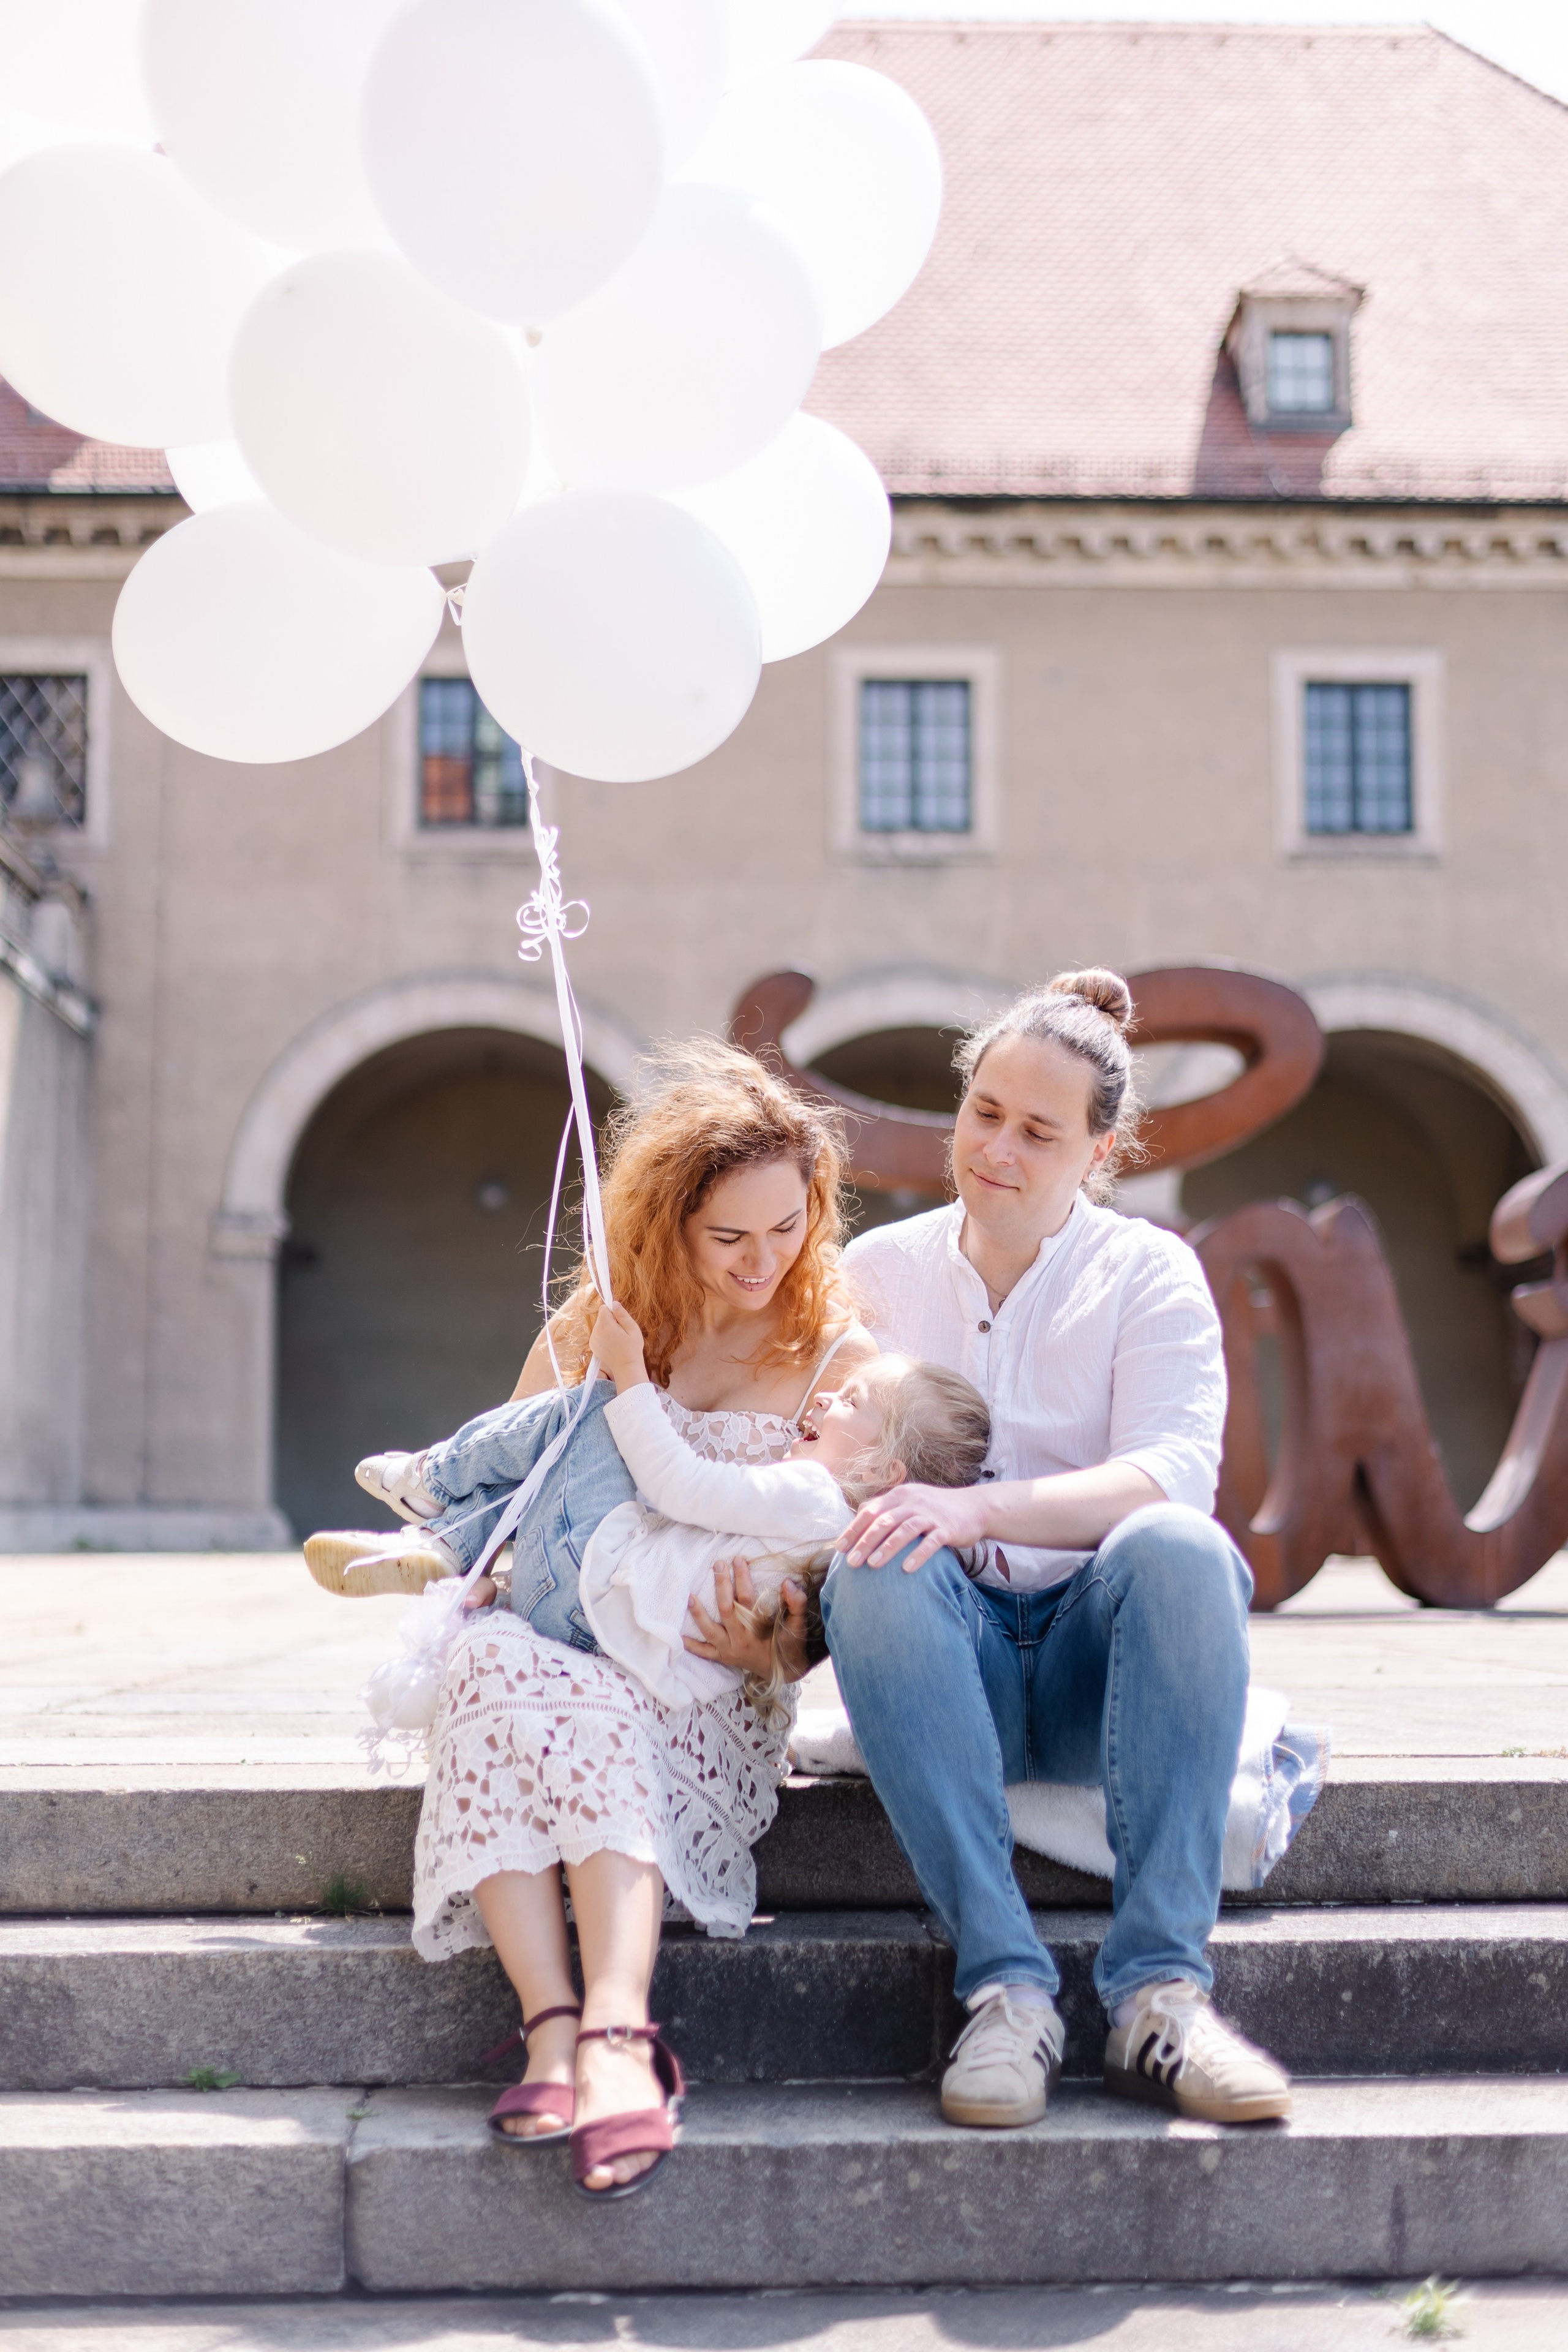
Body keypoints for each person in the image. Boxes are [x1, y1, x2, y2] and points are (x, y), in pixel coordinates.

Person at [818, 968, 1293, 2131]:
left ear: (1099, 1149)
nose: (999, 1149)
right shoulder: (876, 1277)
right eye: (985, 1112)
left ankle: (1159, 1995)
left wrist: (981, 1508)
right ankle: (1007, 1989)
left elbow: (1173, 1472)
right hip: (944, 1661)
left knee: (1183, 1545)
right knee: (873, 1558)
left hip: (1098, 1660)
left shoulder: (1149, 1272)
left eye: (1039, 1130)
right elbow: (805, 1461)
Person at [403, 1041, 878, 2196]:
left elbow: (853, 1570)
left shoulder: (843, 1360)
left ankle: (609, 2027)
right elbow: (503, 1500)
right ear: (667, 1226)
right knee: (487, 1662)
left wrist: (785, 1633)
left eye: (788, 1228)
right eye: (729, 1238)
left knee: (558, 1688)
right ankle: (559, 2027)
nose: (764, 1262)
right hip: (570, 1639)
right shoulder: (594, 1330)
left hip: (706, 1684)